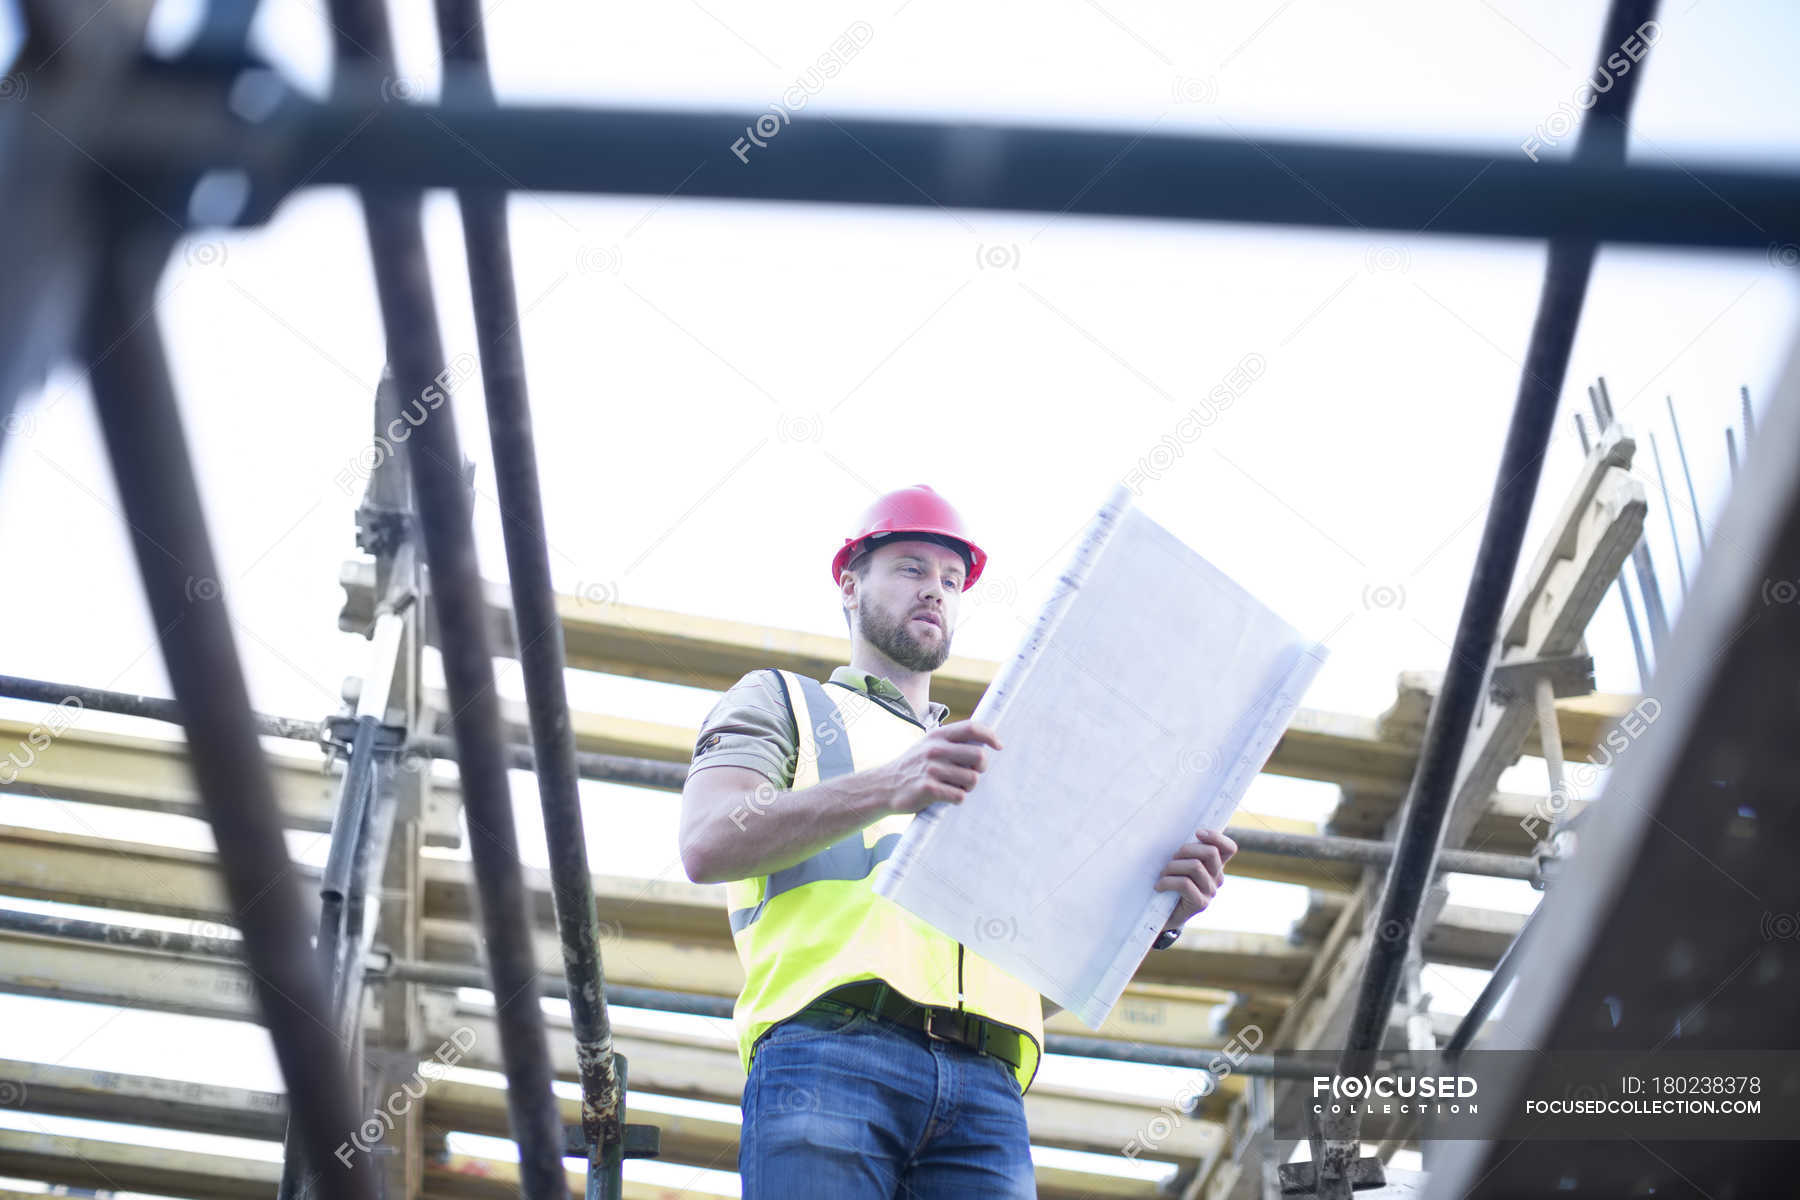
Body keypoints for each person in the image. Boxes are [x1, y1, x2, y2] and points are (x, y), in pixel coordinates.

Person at [680, 483, 1238, 1198]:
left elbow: (1039, 980)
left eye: (950, 580)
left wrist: (1152, 918)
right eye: (910, 568)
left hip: (987, 1090)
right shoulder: (785, 701)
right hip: (829, 1052)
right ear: (849, 585)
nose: (934, 592)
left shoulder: (997, 760)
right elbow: (705, 841)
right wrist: (889, 785)